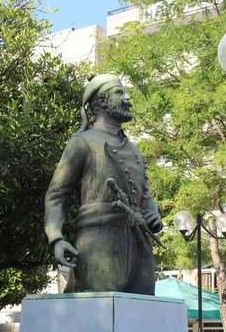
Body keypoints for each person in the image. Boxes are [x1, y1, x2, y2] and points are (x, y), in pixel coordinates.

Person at [44, 74, 164, 295]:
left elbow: (145, 195)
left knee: (141, 315)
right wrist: (56, 238)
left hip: (139, 245)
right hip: (99, 243)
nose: (128, 98)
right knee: (96, 313)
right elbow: (57, 194)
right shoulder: (82, 142)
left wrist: (152, 215)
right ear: (100, 101)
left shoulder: (134, 148)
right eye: (120, 93)